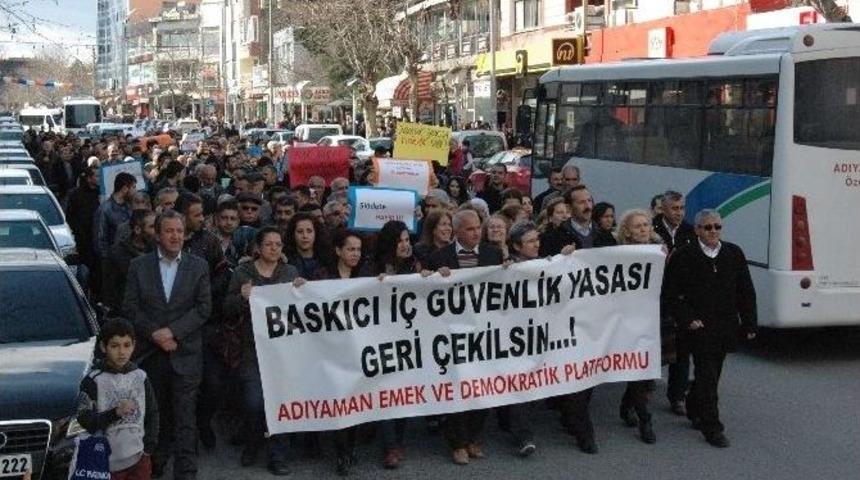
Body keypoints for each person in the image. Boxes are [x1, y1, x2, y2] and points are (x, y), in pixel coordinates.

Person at [123, 210, 212, 479]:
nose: (175, 236)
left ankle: (186, 470)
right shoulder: (139, 266)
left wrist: (173, 332)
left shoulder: (198, 266)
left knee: (186, 417)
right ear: (158, 235)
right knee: (156, 415)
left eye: (180, 231)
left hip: (185, 353)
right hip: (151, 354)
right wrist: (155, 334)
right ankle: (156, 463)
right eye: (169, 231)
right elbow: (130, 306)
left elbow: (204, 308)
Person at [663, 209, 757, 448]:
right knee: (707, 376)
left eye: (717, 227)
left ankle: (694, 406)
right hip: (698, 328)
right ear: (697, 230)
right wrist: (688, 319)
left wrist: (749, 323)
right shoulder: (684, 256)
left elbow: (745, 291)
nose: (713, 231)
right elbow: (671, 294)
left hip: (724, 326)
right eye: (707, 227)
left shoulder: (733, 253)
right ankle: (712, 427)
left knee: (713, 374)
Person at [428, 209, 504, 465]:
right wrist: (433, 277)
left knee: (482, 386)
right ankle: (457, 442)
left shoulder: (493, 255)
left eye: (478, 228)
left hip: (485, 333)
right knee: (458, 387)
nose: (476, 233)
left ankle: (473, 437)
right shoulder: (440, 257)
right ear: (458, 231)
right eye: (470, 229)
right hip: (452, 334)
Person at [222, 227, 300, 475]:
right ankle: (253, 441)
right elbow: (226, 309)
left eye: (278, 244)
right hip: (251, 349)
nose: (274, 248)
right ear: (258, 247)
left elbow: (300, 309)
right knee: (254, 402)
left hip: (283, 351)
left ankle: (279, 455)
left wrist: (303, 290)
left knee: (281, 401)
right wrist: (241, 297)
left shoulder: (289, 272)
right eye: (269, 244)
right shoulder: (243, 272)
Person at [558, 185, 616, 454]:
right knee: (576, 371)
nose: (587, 205)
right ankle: (584, 431)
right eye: (581, 202)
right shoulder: (556, 235)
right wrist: (560, 259)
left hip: (597, 315)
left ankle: (571, 415)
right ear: (570, 208)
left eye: (590, 200)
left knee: (590, 372)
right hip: (567, 317)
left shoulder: (605, 236)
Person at [76, 319, 159, 480]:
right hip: (105, 462)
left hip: (139, 459)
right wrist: (115, 413)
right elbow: (85, 419)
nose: (122, 352)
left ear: (134, 345)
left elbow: (152, 413)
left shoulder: (140, 377)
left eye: (127, 345)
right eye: (115, 346)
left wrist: (148, 448)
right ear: (103, 347)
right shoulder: (92, 381)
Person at [615, 209, 664, 444]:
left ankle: (627, 406)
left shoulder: (660, 252)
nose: (644, 229)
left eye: (646, 225)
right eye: (638, 226)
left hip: (652, 319)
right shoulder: (616, 255)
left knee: (642, 372)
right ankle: (645, 419)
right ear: (627, 231)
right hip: (626, 321)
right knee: (636, 369)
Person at [652, 190, 697, 415]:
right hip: (654, 297)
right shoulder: (651, 229)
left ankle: (677, 396)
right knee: (653, 344)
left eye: (682, 209)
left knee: (682, 349)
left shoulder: (690, 232)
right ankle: (644, 387)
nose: (678, 213)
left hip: (679, 298)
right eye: (674, 209)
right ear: (663, 208)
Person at [102, 209, 156, 315]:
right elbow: (110, 292)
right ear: (137, 229)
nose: (156, 231)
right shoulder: (117, 254)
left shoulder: (158, 250)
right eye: (152, 227)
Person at [96, 172, 136, 257]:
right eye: (133, 187)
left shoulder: (130, 206)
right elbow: (100, 238)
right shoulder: (105, 209)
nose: (135, 191)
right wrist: (107, 259)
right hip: (114, 259)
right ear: (125, 188)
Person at [284, 212, 331, 280]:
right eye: (300, 231)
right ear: (293, 234)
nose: (305, 236)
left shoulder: (327, 260)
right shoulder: (285, 260)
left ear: (316, 233)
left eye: (309, 231)